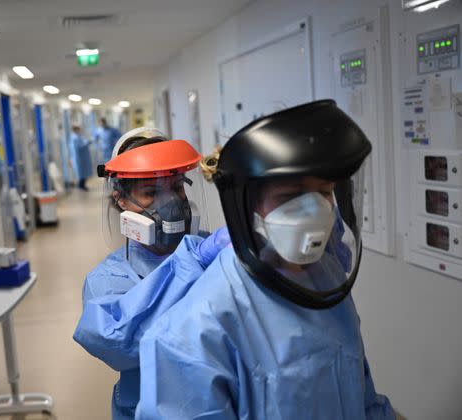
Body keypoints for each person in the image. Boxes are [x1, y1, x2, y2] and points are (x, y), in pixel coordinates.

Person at [136, 100, 395, 419]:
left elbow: (360, 393)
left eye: (325, 192)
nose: (315, 211)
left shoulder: (326, 280)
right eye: (290, 197)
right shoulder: (194, 333)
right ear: (248, 206)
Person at [73, 127, 231, 420]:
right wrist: (192, 262)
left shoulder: (213, 249)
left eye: (177, 187)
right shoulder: (108, 280)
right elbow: (120, 347)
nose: (170, 203)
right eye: (151, 193)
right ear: (120, 199)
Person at [69, 125, 93, 191]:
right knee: (81, 173)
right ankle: (81, 186)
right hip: (79, 158)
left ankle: (82, 185)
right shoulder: (74, 138)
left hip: (82, 157)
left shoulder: (78, 136)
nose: (79, 130)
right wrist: (87, 142)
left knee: (83, 172)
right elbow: (79, 147)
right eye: (78, 129)